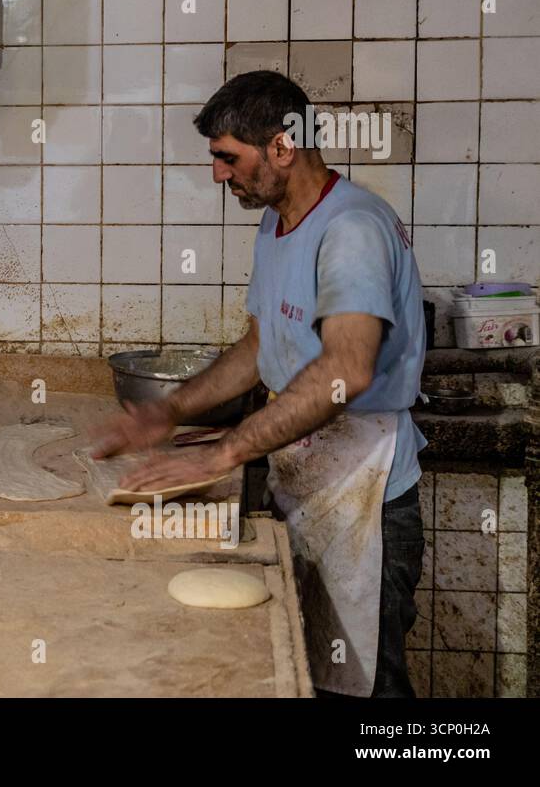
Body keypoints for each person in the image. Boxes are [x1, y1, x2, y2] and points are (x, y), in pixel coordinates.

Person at [91, 70, 427, 697]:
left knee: (369, 692)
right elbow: (257, 347)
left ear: (282, 146)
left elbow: (347, 371)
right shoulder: (277, 222)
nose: (218, 175)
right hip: (305, 479)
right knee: (308, 675)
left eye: (227, 158)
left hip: (366, 497)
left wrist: (229, 450)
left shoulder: (351, 229)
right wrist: (170, 410)